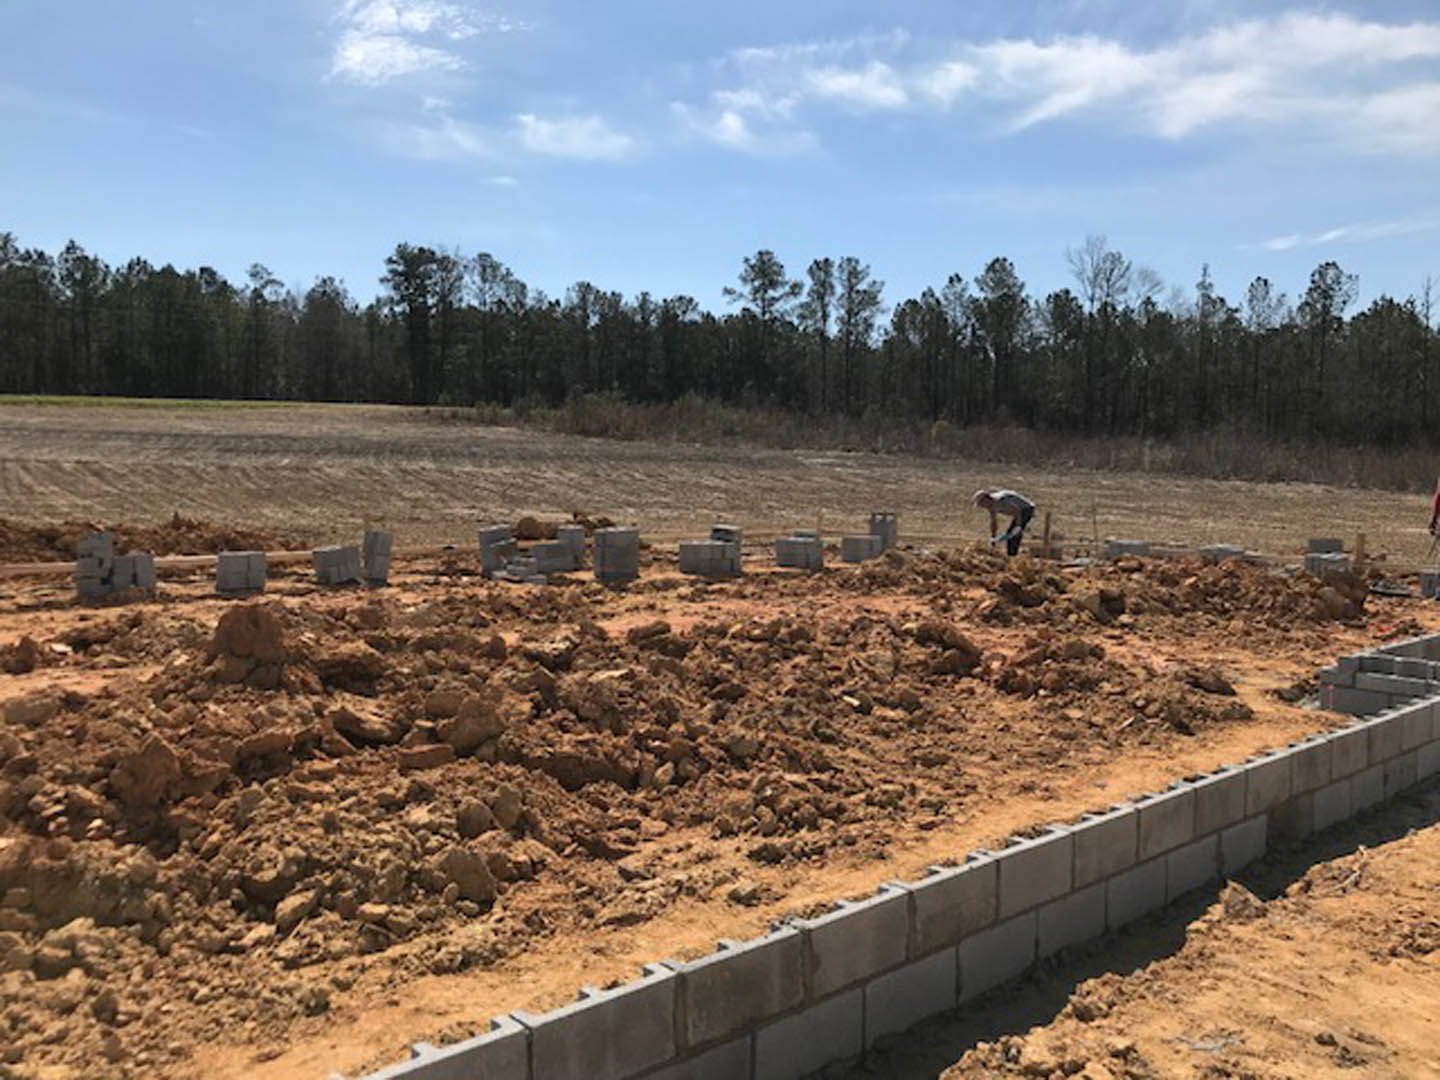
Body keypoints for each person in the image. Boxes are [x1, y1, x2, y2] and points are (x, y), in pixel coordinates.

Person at [974, 489, 1035, 556]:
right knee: (1011, 533)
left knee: (1013, 533)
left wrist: (1018, 526)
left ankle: (1012, 555)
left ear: (986, 499)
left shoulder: (1000, 501)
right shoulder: (990, 506)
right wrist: (993, 536)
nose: (982, 507)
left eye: (981, 504)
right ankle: (1011, 554)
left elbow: (1017, 510)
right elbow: (994, 522)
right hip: (1018, 511)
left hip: (1026, 509)